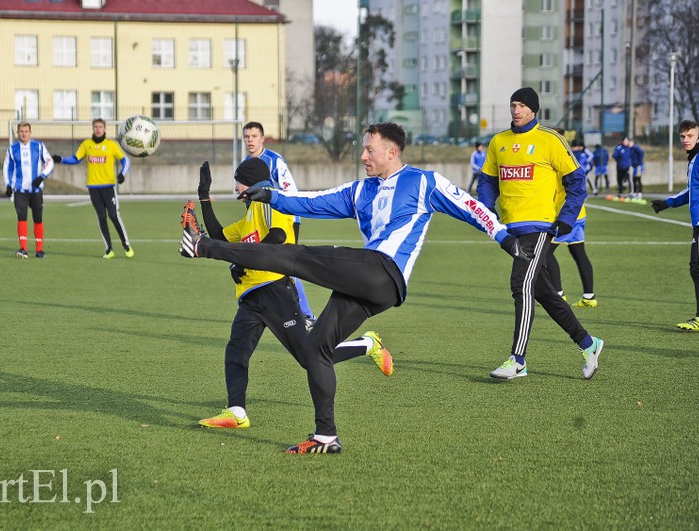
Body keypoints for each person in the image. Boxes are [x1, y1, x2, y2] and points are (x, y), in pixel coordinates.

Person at [179, 122, 526, 454]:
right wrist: (271, 196)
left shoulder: (423, 182)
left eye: (368, 150)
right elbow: (312, 201)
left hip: (382, 270)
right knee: (315, 350)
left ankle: (202, 246)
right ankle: (325, 436)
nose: (363, 156)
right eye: (363, 149)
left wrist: (504, 236)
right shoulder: (361, 190)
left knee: (291, 256)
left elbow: (468, 205)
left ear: (391, 152)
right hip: (368, 284)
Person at [194, 158, 393, 429]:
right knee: (236, 351)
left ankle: (368, 344)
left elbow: (278, 237)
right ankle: (236, 411)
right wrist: (204, 197)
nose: (235, 185)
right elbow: (219, 237)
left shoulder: (269, 202)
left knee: (308, 356)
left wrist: (242, 260)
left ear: (248, 181)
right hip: (251, 296)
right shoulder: (249, 215)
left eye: (237, 179)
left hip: (275, 290)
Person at [477, 87, 604, 380]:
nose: (516, 110)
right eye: (513, 105)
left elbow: (576, 182)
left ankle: (518, 359)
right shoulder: (499, 142)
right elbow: (487, 181)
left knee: (520, 286)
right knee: (544, 293)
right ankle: (589, 344)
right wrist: (487, 211)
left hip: (541, 228)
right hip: (511, 231)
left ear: (534, 110)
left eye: (522, 106)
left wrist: (567, 219)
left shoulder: (550, 140)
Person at [651, 119, 699, 332]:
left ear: (698, 136)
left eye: (690, 136)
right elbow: (693, 191)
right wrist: (668, 203)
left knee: (698, 268)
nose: (685, 140)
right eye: (682, 136)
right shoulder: (694, 159)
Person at [242, 121, 315, 326]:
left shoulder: (274, 161)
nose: (250, 140)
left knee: (288, 265)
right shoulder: (248, 162)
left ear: (262, 138)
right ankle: (288, 312)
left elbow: (289, 189)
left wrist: (289, 212)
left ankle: (306, 315)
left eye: (254, 136)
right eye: (247, 136)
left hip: (286, 219)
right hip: (266, 223)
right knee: (274, 265)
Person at [52, 119, 134, 259]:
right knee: (101, 216)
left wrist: (122, 174)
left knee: (113, 216)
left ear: (105, 129)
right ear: (92, 128)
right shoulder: (86, 144)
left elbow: (125, 160)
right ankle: (109, 249)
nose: (98, 129)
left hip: (108, 186)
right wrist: (60, 159)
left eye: (100, 127)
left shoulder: (111, 145)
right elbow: (75, 159)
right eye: (95, 127)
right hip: (93, 187)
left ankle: (126, 245)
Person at [547, 135, 597, 308]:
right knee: (579, 253)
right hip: (579, 214)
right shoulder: (572, 161)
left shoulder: (557, 162)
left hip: (564, 216)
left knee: (545, 252)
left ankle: (558, 295)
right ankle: (589, 297)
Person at [3, 122, 55, 259]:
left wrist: (42, 176)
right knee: (22, 218)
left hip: (36, 190)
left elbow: (50, 162)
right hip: (20, 190)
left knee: (38, 219)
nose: (23, 134)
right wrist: (8, 185)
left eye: (26, 131)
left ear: (30, 133)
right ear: (17, 133)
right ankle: (24, 248)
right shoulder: (12, 149)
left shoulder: (38, 146)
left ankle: (39, 250)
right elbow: (7, 168)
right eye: (21, 131)